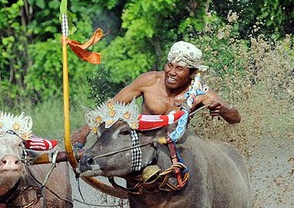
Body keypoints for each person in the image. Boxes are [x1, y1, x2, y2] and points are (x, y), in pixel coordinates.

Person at [71, 41, 241, 147]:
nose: (171, 72)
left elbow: (235, 117)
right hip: (140, 143)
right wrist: (84, 132)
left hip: (173, 146)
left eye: (179, 68)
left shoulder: (199, 92)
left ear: (191, 73)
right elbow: (112, 107)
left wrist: (223, 111)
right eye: (170, 65)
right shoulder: (149, 81)